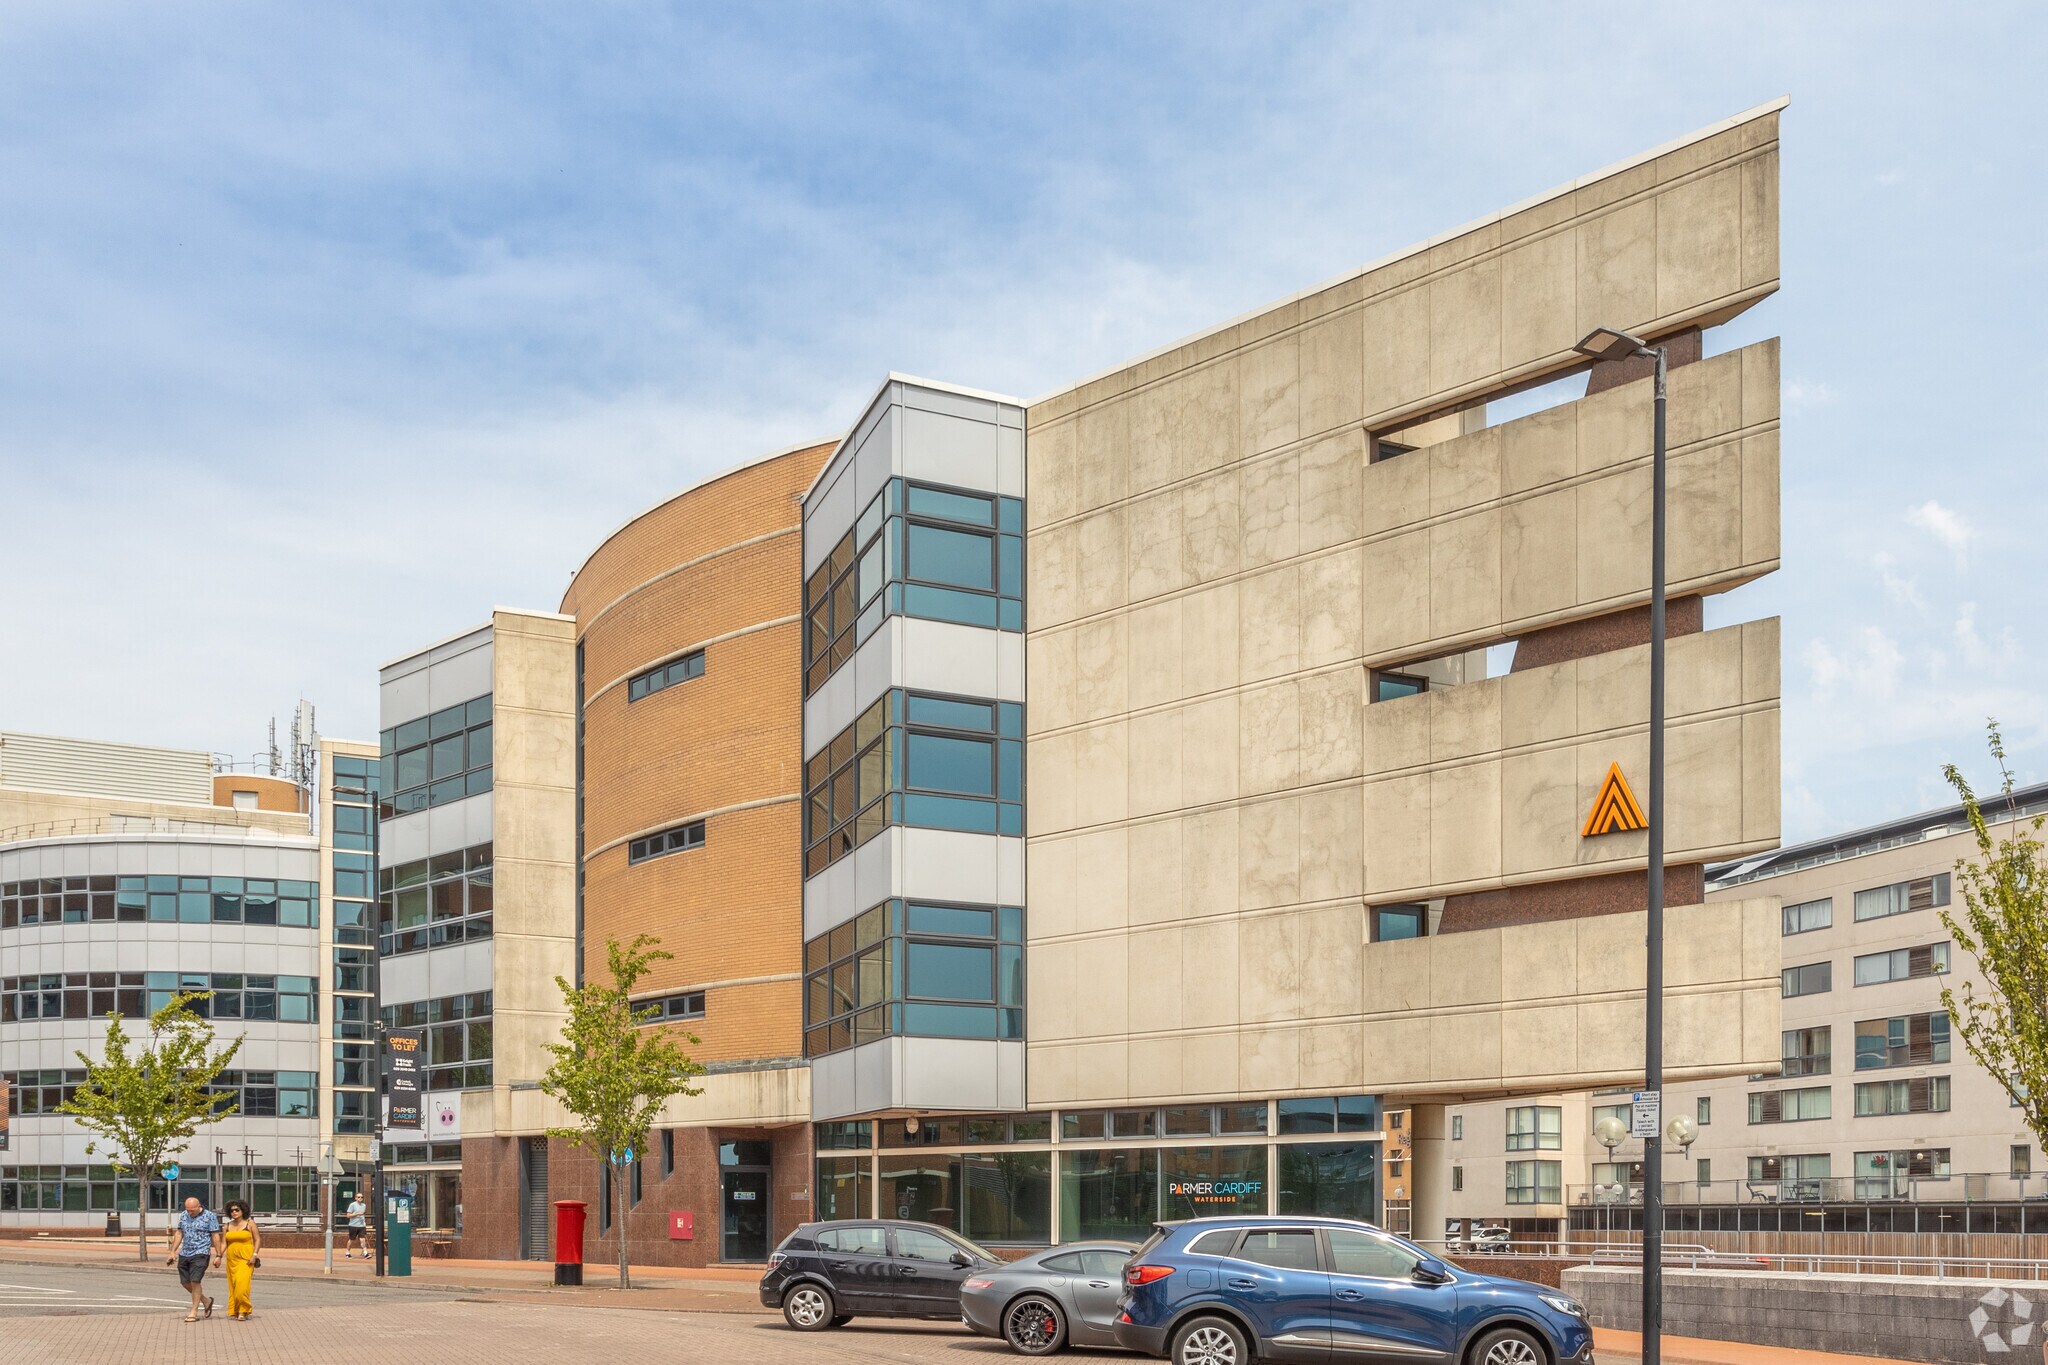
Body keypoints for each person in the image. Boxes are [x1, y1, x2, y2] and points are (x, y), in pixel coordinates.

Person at [163, 1194, 220, 1322]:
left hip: (201, 1252)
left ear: (199, 1206)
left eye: (192, 1210)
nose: (189, 1212)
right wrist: (172, 1252)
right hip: (185, 1252)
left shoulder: (209, 1216)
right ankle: (206, 1301)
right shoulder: (184, 1215)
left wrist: (219, 1255)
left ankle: (193, 1312)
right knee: (185, 1282)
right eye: (187, 1209)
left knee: (195, 1281)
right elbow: (179, 1233)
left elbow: (216, 1236)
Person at [220, 1199, 262, 1321]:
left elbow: (257, 1239)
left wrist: (255, 1254)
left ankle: (244, 1310)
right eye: (231, 1210)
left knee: (242, 1286)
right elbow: (224, 1243)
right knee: (233, 1287)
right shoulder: (227, 1226)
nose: (234, 1212)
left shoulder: (250, 1224)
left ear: (243, 1210)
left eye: (236, 1210)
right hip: (231, 1260)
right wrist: (218, 1256)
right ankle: (236, 1310)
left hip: (246, 1259)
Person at [345, 1192, 367, 1257]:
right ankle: (347, 1252)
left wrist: (364, 1222)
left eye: (361, 1197)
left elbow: (362, 1214)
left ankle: (365, 1252)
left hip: (361, 1225)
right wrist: (356, 1214)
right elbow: (348, 1215)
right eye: (358, 1197)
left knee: (362, 1239)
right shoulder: (352, 1205)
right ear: (355, 1198)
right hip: (353, 1225)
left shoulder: (364, 1205)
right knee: (351, 1240)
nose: (360, 1198)